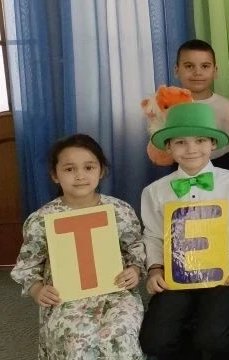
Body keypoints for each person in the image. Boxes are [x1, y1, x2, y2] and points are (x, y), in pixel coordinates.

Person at [139, 103, 229, 359]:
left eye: (200, 140)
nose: (191, 149)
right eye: (181, 142)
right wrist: (154, 269)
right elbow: (152, 236)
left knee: (211, 337)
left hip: (224, 271)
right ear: (168, 147)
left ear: (212, 144)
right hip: (176, 270)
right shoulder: (154, 191)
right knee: (155, 340)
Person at [12, 134, 146, 359]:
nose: (80, 175)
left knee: (120, 332)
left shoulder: (119, 211)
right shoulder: (42, 219)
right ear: (55, 175)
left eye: (89, 167)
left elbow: (135, 247)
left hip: (114, 292)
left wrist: (134, 270)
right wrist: (37, 289)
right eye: (69, 169)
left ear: (101, 171)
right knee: (75, 339)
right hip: (65, 297)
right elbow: (28, 265)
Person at [175, 39, 229, 180]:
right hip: (183, 169)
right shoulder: (169, 109)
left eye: (205, 66)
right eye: (189, 66)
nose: (197, 72)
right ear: (177, 70)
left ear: (215, 71)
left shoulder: (228, 107)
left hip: (224, 167)